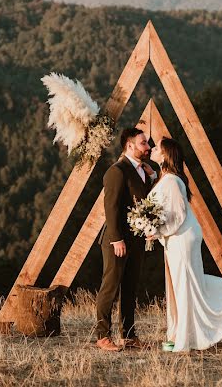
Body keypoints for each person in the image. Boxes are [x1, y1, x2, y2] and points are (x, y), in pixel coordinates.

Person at [148, 137, 222, 351]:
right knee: (186, 283)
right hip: (176, 237)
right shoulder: (166, 178)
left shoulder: (173, 181)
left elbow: (177, 215)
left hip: (182, 237)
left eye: (157, 147)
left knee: (185, 283)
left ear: (166, 155)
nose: (152, 149)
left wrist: (155, 230)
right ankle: (182, 333)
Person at [95, 127, 156, 351]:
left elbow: (145, 202)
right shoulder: (116, 171)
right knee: (110, 287)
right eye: (143, 143)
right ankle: (102, 336)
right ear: (130, 146)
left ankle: (129, 336)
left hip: (136, 239)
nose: (148, 147)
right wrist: (116, 239)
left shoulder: (146, 170)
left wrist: (152, 177)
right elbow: (110, 208)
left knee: (130, 288)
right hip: (116, 241)